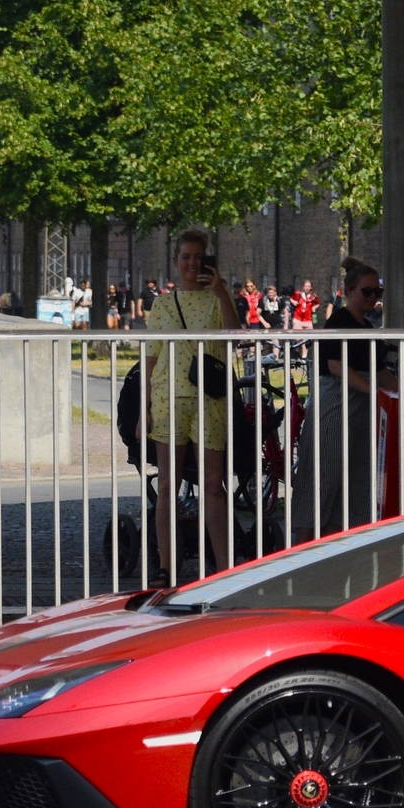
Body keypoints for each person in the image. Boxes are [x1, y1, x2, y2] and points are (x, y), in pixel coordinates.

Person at [117, 230, 236, 582]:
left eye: (199, 258)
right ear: (175, 261)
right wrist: (144, 410)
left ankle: (225, 567)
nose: (192, 264)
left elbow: (236, 335)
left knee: (213, 485)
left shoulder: (217, 300)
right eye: (186, 257)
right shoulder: (164, 305)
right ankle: (167, 565)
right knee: (168, 484)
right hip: (169, 399)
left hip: (209, 400)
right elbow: (150, 361)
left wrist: (222, 292)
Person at [292, 258, 388, 541]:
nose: (372, 297)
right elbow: (336, 366)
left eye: (377, 292)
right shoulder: (338, 322)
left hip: (360, 413)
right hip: (335, 406)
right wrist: (375, 391)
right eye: (366, 291)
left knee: (356, 481)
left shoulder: (368, 329)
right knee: (321, 480)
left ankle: (334, 547)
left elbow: (379, 369)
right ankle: (302, 551)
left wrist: (402, 393)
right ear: (349, 291)